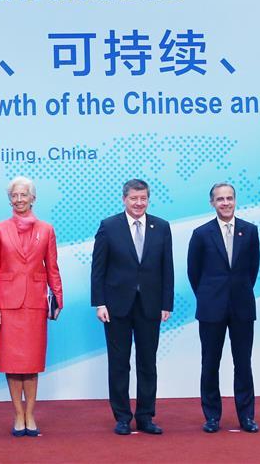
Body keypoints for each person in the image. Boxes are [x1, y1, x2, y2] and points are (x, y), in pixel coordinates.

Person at [91, 178, 174, 435]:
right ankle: (122, 417)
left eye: (143, 198)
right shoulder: (109, 226)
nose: (139, 203)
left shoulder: (161, 226)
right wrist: (99, 303)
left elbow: (167, 268)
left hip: (150, 305)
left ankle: (146, 416)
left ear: (148, 199)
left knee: (147, 362)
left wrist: (166, 303)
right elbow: (98, 268)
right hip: (116, 306)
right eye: (134, 198)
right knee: (119, 363)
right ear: (124, 199)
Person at [0, 176, 63, 437]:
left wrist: (58, 298)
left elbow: (52, 266)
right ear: (10, 200)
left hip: (35, 303)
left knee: (31, 363)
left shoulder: (46, 229)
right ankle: (18, 414)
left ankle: (30, 414)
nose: (19, 199)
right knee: (12, 363)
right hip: (7, 305)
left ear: (33, 198)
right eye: (14, 195)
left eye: (23, 195)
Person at [187, 183, 260, 433]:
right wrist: (208, 296)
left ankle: (246, 417)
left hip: (242, 307)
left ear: (235, 200)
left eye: (229, 198)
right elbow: (194, 272)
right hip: (211, 308)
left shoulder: (249, 231)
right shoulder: (201, 234)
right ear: (212, 203)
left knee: (243, 363)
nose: (225, 203)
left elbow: (252, 269)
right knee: (210, 363)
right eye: (220, 199)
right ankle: (212, 417)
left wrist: (238, 291)